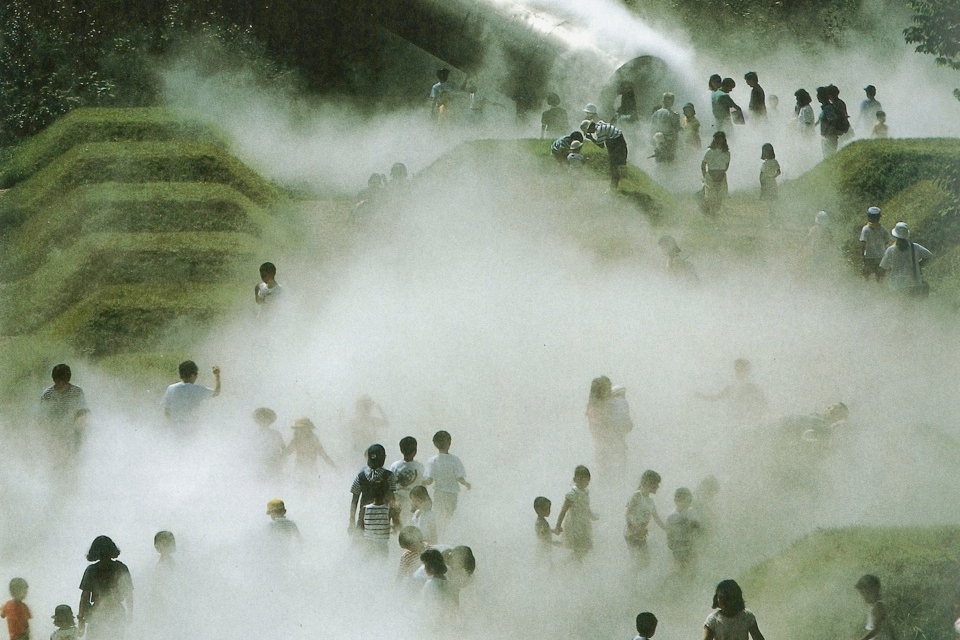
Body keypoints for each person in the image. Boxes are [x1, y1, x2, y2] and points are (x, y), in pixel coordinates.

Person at [78, 536, 133, 640]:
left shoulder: (91, 570)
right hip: (116, 612)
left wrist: (81, 620)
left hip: (98, 613)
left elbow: (84, 597)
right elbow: (129, 594)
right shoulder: (121, 568)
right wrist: (130, 614)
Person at [696, 358, 768, 426]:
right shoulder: (730, 388)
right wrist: (700, 395)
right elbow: (714, 398)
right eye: (737, 370)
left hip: (751, 425)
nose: (738, 373)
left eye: (741, 370)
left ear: (747, 371)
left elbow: (763, 406)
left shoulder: (754, 388)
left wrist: (756, 419)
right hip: (737, 424)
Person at [422, 430, 470, 527]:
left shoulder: (432, 460)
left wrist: (422, 483)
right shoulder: (454, 460)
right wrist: (466, 484)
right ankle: (446, 530)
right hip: (452, 493)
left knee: (439, 514)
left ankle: (440, 530)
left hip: (439, 493)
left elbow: (430, 480)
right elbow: (459, 477)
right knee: (449, 514)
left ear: (435, 444)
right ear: (449, 442)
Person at [40, 364, 89, 456]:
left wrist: (80, 427)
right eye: (57, 381)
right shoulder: (47, 394)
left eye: (63, 381)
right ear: (54, 380)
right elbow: (43, 416)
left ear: (68, 379)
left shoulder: (76, 392)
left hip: (74, 433)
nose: (60, 384)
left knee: (75, 458)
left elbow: (83, 411)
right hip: (54, 433)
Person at [349, 444, 397, 534]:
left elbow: (354, 501)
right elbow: (392, 500)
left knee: (360, 545)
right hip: (382, 521)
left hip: (363, 520)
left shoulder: (361, 476)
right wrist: (396, 521)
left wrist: (351, 521)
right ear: (384, 458)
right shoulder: (389, 476)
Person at [553, 465, 598, 560]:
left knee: (584, 549)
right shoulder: (572, 494)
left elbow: (585, 507)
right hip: (575, 525)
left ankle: (573, 564)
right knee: (579, 550)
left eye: (586, 479)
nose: (583, 482)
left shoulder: (585, 492)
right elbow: (563, 510)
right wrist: (558, 525)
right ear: (575, 479)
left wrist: (591, 515)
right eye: (580, 479)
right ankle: (567, 564)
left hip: (584, 524)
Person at [624, 470, 665, 568]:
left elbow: (657, 519)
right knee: (637, 561)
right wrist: (634, 527)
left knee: (644, 562)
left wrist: (667, 529)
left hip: (641, 535)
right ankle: (629, 581)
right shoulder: (638, 495)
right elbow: (628, 514)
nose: (658, 487)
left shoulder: (650, 501)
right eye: (656, 484)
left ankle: (635, 581)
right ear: (649, 483)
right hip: (632, 533)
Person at [880, 222, 932, 296]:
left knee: (901, 307)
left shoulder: (890, 250)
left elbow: (883, 267)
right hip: (914, 285)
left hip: (896, 287)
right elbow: (928, 256)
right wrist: (919, 265)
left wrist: (881, 282)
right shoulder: (915, 247)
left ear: (896, 237)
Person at [161, 360, 220, 425]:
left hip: (175, 427)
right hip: (192, 427)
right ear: (192, 375)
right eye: (196, 374)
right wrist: (217, 375)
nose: (197, 377)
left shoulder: (171, 388)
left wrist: (170, 424)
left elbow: (166, 410)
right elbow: (216, 392)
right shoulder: (197, 389)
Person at [580, 119, 629, 189]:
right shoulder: (600, 123)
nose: (590, 133)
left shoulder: (599, 131)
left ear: (590, 127)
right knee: (615, 165)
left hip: (618, 144)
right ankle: (614, 184)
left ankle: (613, 186)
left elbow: (601, 145)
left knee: (614, 166)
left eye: (588, 131)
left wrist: (591, 138)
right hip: (618, 141)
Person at [390, 436, 425, 525]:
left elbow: (390, 485)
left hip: (403, 500)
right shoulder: (419, 466)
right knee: (410, 523)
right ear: (415, 451)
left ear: (401, 450)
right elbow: (423, 485)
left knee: (401, 523)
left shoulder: (395, 466)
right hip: (411, 500)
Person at [666, 487, 700, 575]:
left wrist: (694, 536)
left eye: (689, 502)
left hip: (690, 544)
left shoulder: (692, 512)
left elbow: (696, 527)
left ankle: (689, 583)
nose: (687, 504)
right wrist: (670, 542)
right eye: (684, 501)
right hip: (678, 545)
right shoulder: (672, 516)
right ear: (676, 501)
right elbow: (669, 532)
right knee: (679, 567)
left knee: (692, 567)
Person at [701, 132, 731, 216]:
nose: (719, 141)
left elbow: (726, 166)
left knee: (720, 198)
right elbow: (703, 164)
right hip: (711, 176)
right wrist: (705, 176)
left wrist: (720, 173)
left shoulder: (726, 153)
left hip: (721, 177)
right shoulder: (709, 151)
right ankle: (711, 214)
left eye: (720, 139)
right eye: (717, 139)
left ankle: (714, 213)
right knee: (711, 198)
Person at [362, 481, 394, 558]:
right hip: (382, 544)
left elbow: (360, 528)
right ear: (386, 494)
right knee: (382, 564)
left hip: (368, 543)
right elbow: (398, 525)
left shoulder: (365, 509)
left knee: (368, 564)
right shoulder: (389, 509)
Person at [856, 575, 893, 640]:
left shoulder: (878, 606)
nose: (863, 597)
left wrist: (863, 639)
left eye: (865, 593)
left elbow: (876, 630)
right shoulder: (875, 606)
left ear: (874, 590)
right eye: (862, 593)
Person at [860, 206, 892, 282]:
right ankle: (879, 291)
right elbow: (888, 241)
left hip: (869, 256)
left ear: (868, 217)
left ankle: (867, 290)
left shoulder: (866, 229)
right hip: (880, 256)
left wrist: (862, 255)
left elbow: (863, 243)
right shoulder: (882, 229)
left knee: (866, 276)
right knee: (879, 277)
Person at [251, 408, 285, 480]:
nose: (263, 422)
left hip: (274, 462)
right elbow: (250, 450)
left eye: (265, 419)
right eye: (261, 419)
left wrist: (281, 460)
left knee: (274, 483)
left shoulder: (276, 434)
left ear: (269, 421)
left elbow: (283, 448)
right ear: (258, 421)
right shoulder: (255, 435)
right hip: (259, 464)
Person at [651, 92, 681, 161]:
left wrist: (654, 143)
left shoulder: (656, 113)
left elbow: (652, 130)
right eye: (672, 100)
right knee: (670, 166)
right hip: (669, 143)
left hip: (658, 143)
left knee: (659, 164)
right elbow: (676, 130)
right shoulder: (673, 114)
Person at [817, 86, 840, 158]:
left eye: (818, 94)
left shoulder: (828, 108)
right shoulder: (825, 108)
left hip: (830, 137)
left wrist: (827, 132)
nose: (817, 96)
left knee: (829, 157)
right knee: (826, 156)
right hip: (827, 136)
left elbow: (833, 120)